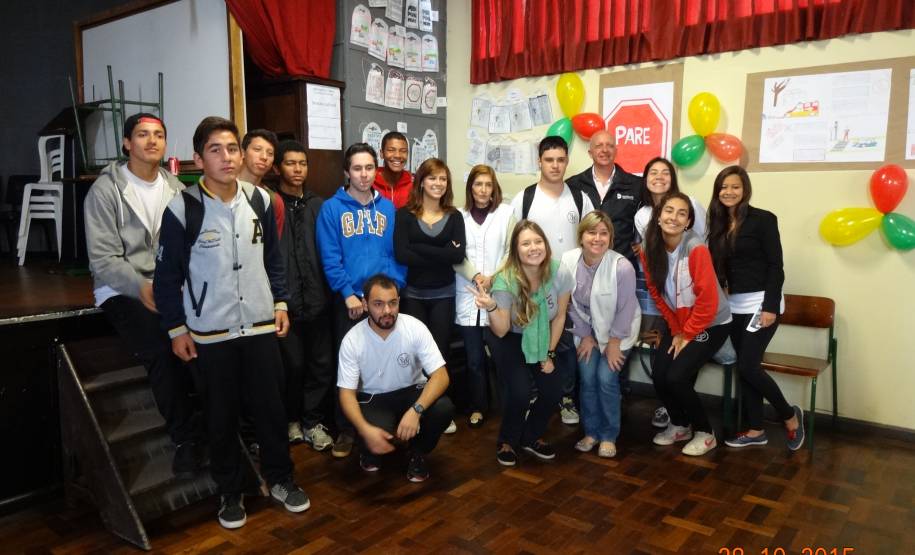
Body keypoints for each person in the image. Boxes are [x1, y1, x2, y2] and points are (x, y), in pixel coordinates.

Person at [154, 116, 309, 529]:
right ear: (198, 158)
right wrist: (176, 328)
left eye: (232, 148)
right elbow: (166, 278)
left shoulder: (260, 200)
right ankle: (230, 490)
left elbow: (273, 259)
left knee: (271, 410)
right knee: (220, 416)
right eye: (215, 150)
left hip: (259, 326)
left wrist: (280, 302)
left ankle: (281, 479)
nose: (226, 157)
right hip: (211, 332)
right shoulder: (182, 208)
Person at [84, 112, 202, 477]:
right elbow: (103, 259)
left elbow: (188, 249)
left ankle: (217, 430)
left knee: (205, 340)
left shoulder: (176, 189)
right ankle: (184, 440)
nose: (152, 141)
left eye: (158, 135)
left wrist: (178, 283)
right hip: (121, 287)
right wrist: (140, 286)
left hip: (168, 285)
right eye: (142, 134)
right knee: (162, 348)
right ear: (126, 143)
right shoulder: (105, 190)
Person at [316, 143, 406, 458]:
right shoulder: (331, 209)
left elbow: (397, 254)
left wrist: (391, 292)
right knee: (348, 367)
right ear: (347, 172)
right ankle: (346, 429)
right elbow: (330, 258)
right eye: (357, 168)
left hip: (384, 301)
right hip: (350, 302)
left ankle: (379, 420)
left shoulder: (387, 209)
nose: (364, 175)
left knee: (382, 362)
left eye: (369, 168)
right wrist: (348, 294)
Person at [707, 166, 804, 451]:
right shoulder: (717, 224)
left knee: (748, 366)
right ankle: (755, 429)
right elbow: (719, 264)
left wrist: (770, 306)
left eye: (735, 186)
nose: (729, 192)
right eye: (724, 187)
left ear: (745, 189)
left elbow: (776, 266)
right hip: (733, 306)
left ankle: (789, 416)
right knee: (746, 368)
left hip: (761, 303)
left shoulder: (763, 219)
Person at [469, 221, 573, 466]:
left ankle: (530, 436)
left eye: (538, 241)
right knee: (520, 391)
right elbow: (502, 329)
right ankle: (507, 440)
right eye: (526, 243)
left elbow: (559, 316)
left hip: (542, 334)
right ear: (516, 250)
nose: (533, 248)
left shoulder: (559, 272)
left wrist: (549, 354)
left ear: (546, 245)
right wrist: (491, 306)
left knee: (552, 390)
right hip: (509, 336)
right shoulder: (505, 280)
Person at [511, 135, 594, 426]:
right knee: (532, 340)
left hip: (567, 285)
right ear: (540, 162)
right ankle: (534, 395)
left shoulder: (580, 198)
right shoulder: (525, 198)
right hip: (532, 285)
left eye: (560, 160)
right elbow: (512, 242)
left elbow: (590, 240)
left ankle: (566, 397)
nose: (555, 165)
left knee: (566, 344)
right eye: (549, 160)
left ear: (567, 161)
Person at [640, 192, 732, 457]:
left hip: (711, 322)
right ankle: (680, 425)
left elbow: (708, 300)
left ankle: (705, 432)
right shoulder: (649, 247)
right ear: (658, 217)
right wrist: (677, 330)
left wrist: (688, 334)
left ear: (688, 222)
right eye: (669, 211)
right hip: (680, 322)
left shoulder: (695, 247)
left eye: (682, 213)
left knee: (676, 377)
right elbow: (657, 293)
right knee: (660, 375)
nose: (674, 217)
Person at [338, 274, 454, 482]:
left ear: (399, 301)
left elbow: (441, 376)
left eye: (392, 303)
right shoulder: (352, 340)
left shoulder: (414, 327)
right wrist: (365, 430)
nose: (387, 311)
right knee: (372, 435)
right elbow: (346, 394)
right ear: (365, 304)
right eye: (378, 304)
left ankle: (417, 453)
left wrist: (416, 410)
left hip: (411, 392)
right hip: (374, 398)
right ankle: (368, 451)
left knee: (443, 408)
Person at [632, 157, 708, 430]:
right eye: (653, 172)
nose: (659, 177)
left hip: (693, 295)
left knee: (681, 360)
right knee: (663, 353)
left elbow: (700, 243)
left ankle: (683, 412)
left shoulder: (692, 205)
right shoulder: (642, 214)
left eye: (665, 172)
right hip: (665, 297)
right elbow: (653, 253)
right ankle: (673, 410)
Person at [561, 211, 641, 458]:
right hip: (585, 330)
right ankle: (591, 432)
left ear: (611, 238)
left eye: (603, 233)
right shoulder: (568, 260)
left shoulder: (622, 267)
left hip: (619, 331)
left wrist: (614, 343)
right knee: (587, 378)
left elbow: (626, 308)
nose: (597, 238)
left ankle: (608, 435)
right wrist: (585, 335)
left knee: (605, 379)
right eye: (591, 232)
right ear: (581, 236)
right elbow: (568, 302)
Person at [394, 158, 465, 434]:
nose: (438, 183)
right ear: (421, 181)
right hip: (413, 294)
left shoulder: (454, 216)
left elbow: (457, 256)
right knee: (414, 354)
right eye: (432, 178)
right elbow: (402, 254)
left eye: (443, 179)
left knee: (440, 353)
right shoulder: (404, 215)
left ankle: (441, 411)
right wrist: (442, 252)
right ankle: (414, 410)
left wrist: (419, 247)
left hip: (443, 295)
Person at [273, 140, 335, 451]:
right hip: (286, 304)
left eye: (302, 163)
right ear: (277, 168)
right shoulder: (270, 203)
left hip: (318, 299)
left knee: (321, 364)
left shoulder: (318, 205)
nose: (298, 169)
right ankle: (291, 420)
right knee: (292, 366)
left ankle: (313, 422)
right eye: (290, 163)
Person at [454, 165, 515, 428]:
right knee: (474, 359)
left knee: (501, 355)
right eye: (478, 184)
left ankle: (508, 404)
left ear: (494, 188)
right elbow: (455, 255)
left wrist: (493, 277)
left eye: (488, 184)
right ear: (470, 187)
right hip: (467, 292)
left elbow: (511, 251)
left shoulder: (506, 213)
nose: (483, 190)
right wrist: (476, 276)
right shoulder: (458, 216)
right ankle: (478, 406)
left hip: (498, 291)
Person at [566, 130, 643, 266]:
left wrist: (645, 243)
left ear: (616, 151)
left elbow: (654, 215)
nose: (605, 150)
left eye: (610, 145)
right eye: (599, 146)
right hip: (585, 265)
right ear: (590, 153)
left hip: (622, 264)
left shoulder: (636, 185)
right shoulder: (573, 184)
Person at [239, 129, 285, 236]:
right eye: (257, 149)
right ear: (243, 153)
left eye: (270, 153)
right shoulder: (224, 188)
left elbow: (272, 243)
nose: (264, 157)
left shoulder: (273, 200)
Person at [372, 131, 412, 208]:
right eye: (391, 150)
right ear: (382, 153)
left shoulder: (414, 185)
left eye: (403, 151)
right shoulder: (370, 182)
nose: (397, 155)